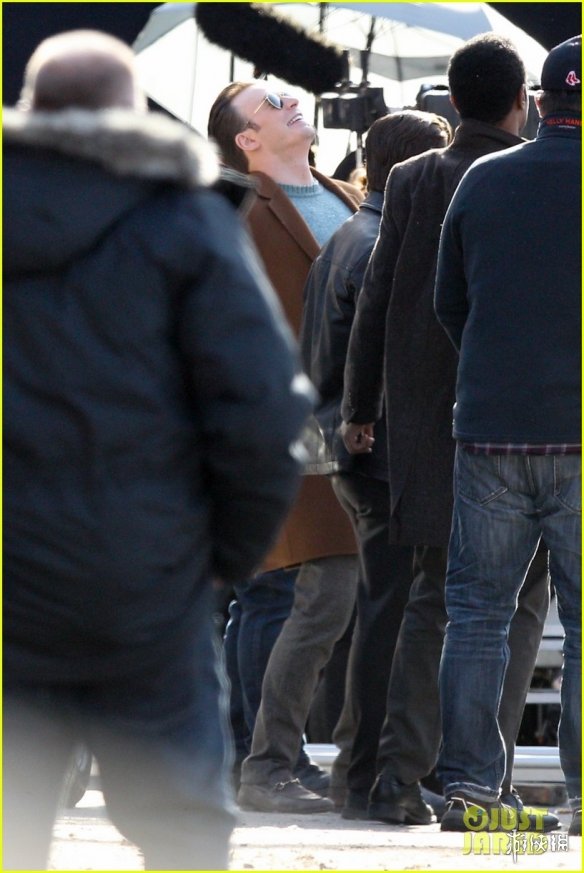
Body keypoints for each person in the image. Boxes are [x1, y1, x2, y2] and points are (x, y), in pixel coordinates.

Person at [3, 31, 313, 870]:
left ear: (30, 109)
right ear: (131, 111)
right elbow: (261, 407)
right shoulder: (184, 221)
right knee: (181, 824)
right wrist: (223, 553)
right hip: (144, 566)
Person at [341, 34, 557, 829]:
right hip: (529, 420)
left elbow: (379, 299)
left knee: (435, 603)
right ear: (522, 100)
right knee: (518, 609)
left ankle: (399, 780)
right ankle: (484, 788)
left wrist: (359, 408)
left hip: (430, 422)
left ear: (455, 101)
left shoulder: (414, 178)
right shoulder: (536, 176)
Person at [434, 35, 581, 835]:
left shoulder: (485, 178)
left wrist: (497, 372)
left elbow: (449, 302)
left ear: (541, 100)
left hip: (493, 428)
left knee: (478, 615)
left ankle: (469, 788)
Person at [208, 82, 362, 814]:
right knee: (276, 585)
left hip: (356, 419)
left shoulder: (349, 197)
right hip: (274, 416)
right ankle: (263, 759)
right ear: (246, 139)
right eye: (270, 103)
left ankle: (262, 756)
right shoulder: (234, 204)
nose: (291, 101)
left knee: (306, 589)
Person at [300, 110, 452, 814]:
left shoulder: (349, 234)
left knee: (378, 613)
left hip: (348, 443)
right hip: (379, 447)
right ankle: (366, 774)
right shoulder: (378, 242)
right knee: (391, 618)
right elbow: (383, 353)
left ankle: (359, 773)